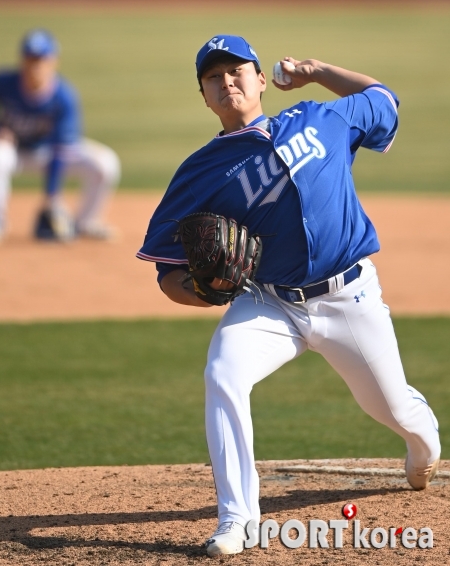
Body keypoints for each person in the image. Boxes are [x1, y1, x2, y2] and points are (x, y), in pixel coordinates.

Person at [137, 35, 441, 557]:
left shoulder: (319, 118)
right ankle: (236, 520)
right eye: (214, 77)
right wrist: (201, 291)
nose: (227, 81)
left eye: (237, 71)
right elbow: (167, 271)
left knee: (394, 409)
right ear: (205, 97)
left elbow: (384, 98)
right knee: (222, 372)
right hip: (269, 302)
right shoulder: (200, 173)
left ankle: (423, 443)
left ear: (259, 80)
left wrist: (318, 69)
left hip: (350, 297)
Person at [0, 29, 121, 245]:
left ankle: (86, 221)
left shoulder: (63, 96)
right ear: (22, 60)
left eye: (41, 59)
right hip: (15, 153)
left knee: (104, 162)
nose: (35, 65)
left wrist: (51, 196)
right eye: (30, 58)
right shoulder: (3, 82)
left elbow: (61, 149)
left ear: (54, 61)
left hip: (51, 154)